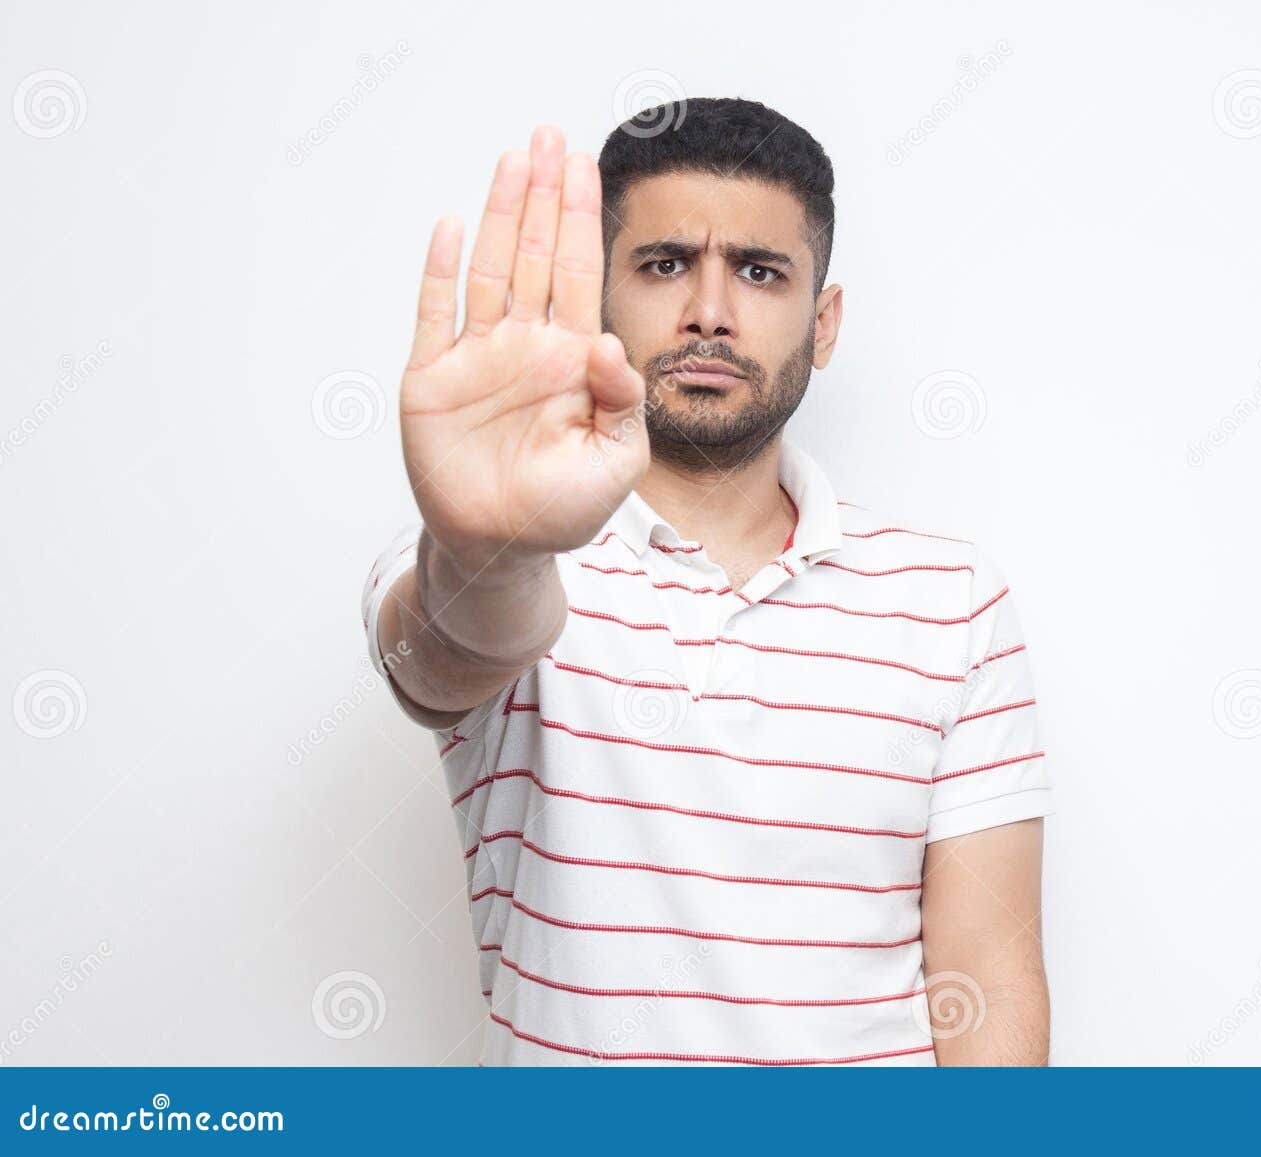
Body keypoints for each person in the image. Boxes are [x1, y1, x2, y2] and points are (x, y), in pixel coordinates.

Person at [361, 97, 1054, 1065]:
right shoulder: (487, 548)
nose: (709, 310)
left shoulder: (951, 601)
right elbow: (444, 651)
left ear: (823, 322)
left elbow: (986, 975)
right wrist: (498, 540)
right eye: (663, 263)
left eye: (759, 271)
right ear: (599, 296)